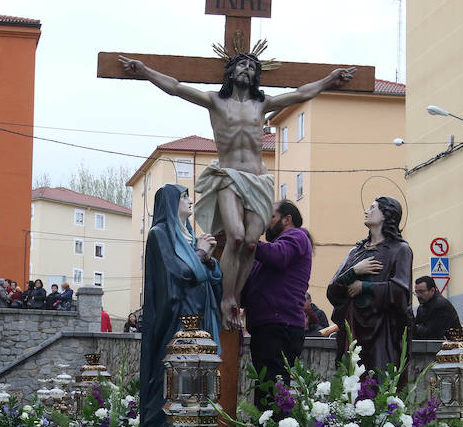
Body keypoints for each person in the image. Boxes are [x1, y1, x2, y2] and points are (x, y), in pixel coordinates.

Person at [121, 53, 354, 330]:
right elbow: (175, 87)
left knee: (252, 244)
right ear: (230, 71)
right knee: (236, 237)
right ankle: (227, 296)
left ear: (257, 75)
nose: (246, 70)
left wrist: (329, 80)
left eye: (252, 67)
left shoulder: (262, 104)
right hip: (228, 177)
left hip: (258, 179)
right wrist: (145, 70)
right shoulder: (215, 101)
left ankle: (236, 296)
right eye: (241, 65)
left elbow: (300, 94)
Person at [132, 184, 221, 427]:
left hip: (198, 322)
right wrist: (202, 254)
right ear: (171, 203)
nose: (190, 200)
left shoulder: (190, 237)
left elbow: (208, 279)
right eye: (184, 197)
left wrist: (208, 261)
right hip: (174, 324)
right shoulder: (160, 235)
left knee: (196, 384)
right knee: (168, 381)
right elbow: (179, 275)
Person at [327, 196, 413, 383]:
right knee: (350, 385)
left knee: (379, 383)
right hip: (352, 328)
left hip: (383, 332)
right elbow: (333, 291)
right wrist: (354, 272)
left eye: (373, 208)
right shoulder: (356, 252)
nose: (367, 211)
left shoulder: (399, 250)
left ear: (386, 215)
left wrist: (364, 287)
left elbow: (401, 293)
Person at [241, 200, 312, 408]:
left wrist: (250, 239)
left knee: (273, 390)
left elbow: (278, 256)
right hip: (268, 327)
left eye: (270, 217)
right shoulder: (269, 253)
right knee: (266, 389)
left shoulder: (297, 236)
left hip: (281, 327)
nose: (266, 223)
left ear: (286, 219)